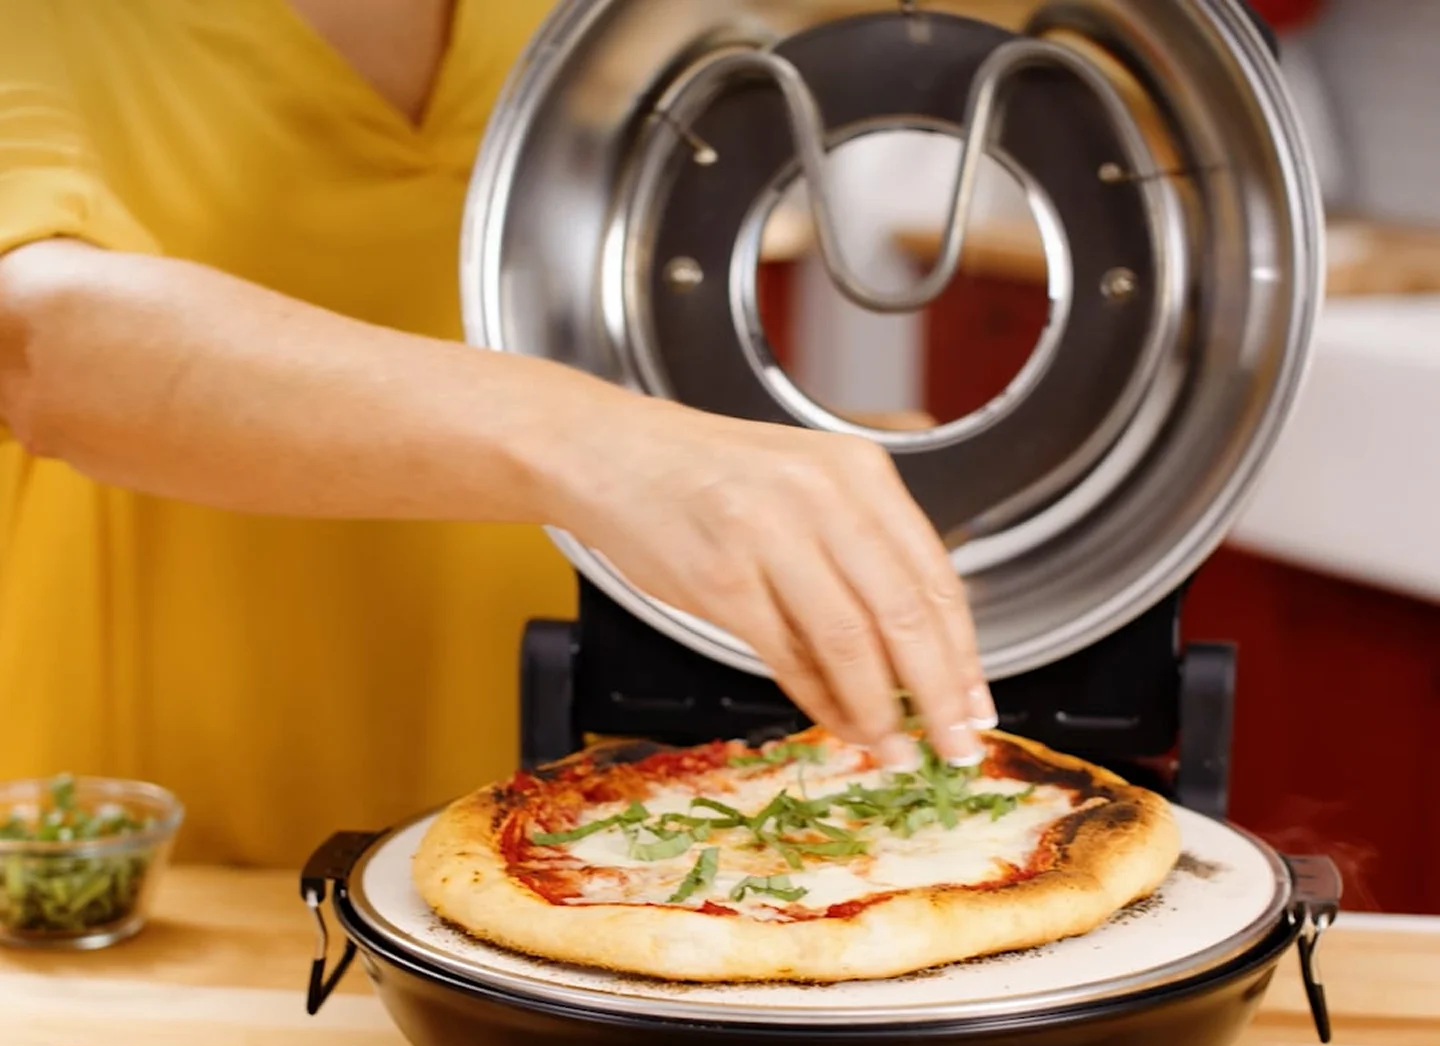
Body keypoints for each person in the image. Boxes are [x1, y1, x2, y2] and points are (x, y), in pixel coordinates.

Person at [0, 0, 993, 867]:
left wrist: (791, 470)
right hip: (139, 863)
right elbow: (37, 340)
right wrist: (611, 446)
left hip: (571, 818)